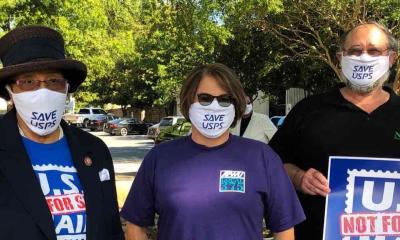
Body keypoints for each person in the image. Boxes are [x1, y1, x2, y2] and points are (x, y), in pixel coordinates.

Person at [121, 63, 305, 240]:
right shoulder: (160, 158)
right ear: (188, 101)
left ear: (236, 105)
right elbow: (135, 226)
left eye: (225, 99)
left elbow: (284, 230)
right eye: (205, 98)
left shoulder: (262, 158)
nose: (215, 106)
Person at [269, 21, 400, 240]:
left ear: (392, 58)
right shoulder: (309, 110)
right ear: (340, 58)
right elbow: (271, 163)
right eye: (355, 51)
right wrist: (299, 177)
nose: (364, 57)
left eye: (374, 50)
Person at [0, 25, 123, 240]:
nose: (43, 91)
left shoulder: (95, 150)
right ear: (10, 91)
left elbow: (111, 230)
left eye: (54, 81)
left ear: (66, 88)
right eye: (28, 81)